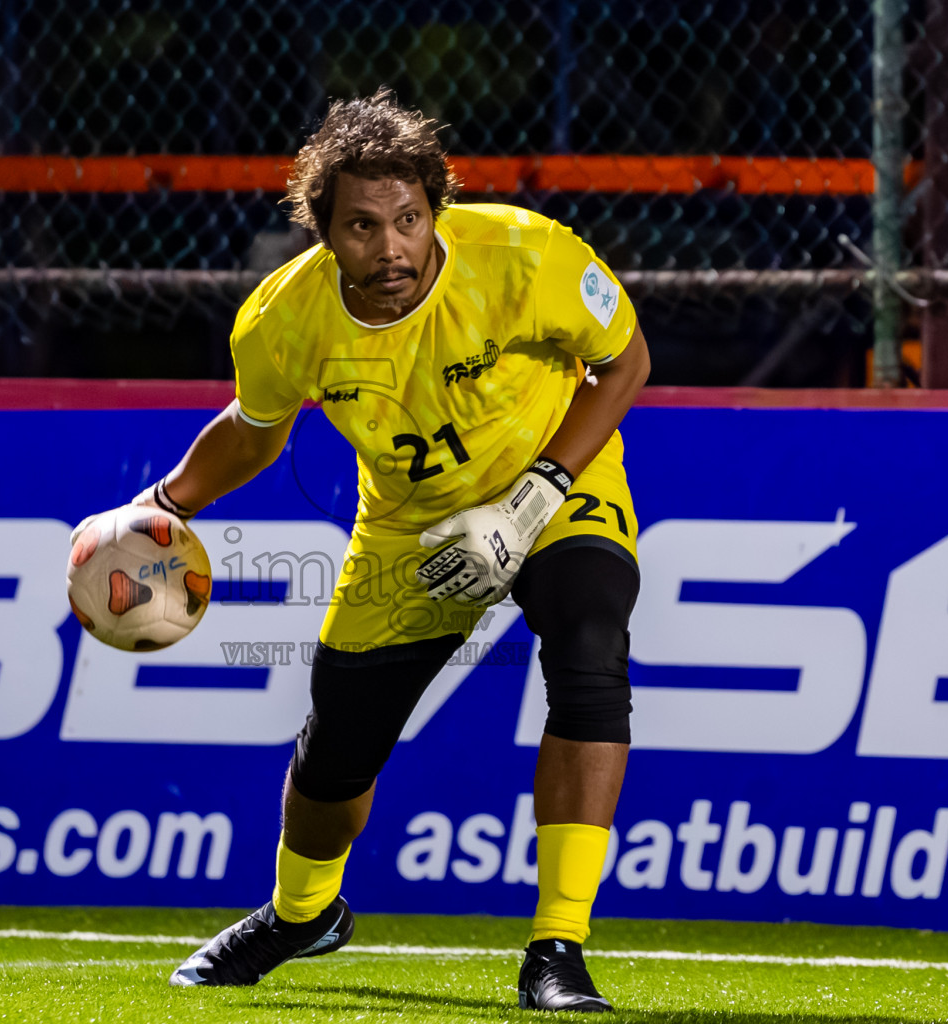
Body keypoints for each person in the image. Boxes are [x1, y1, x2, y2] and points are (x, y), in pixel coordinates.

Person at [131, 89, 649, 1012]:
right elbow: (254, 431)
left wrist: (541, 491)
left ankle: (557, 951)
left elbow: (625, 361)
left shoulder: (525, 254)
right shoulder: (281, 321)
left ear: (435, 209)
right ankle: (302, 915)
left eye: (408, 219)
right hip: (410, 530)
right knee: (338, 749)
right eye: (363, 226)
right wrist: (166, 503)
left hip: (557, 483)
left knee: (590, 641)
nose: (391, 247)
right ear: (323, 230)